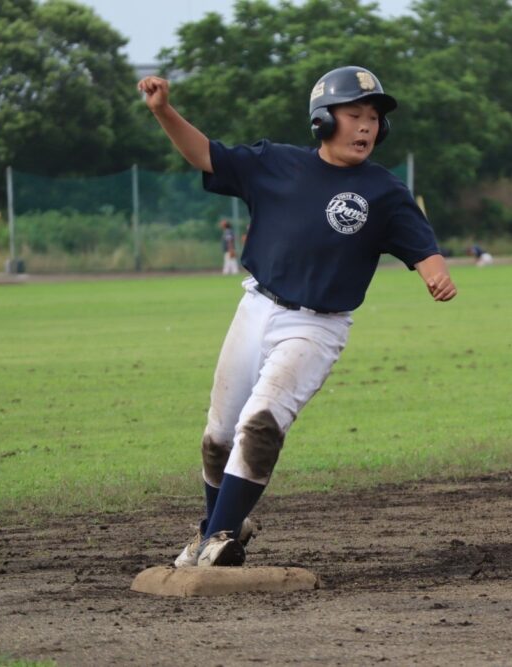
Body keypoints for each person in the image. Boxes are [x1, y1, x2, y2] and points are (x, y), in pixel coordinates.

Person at [138, 65, 457, 567]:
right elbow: (206, 154)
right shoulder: (275, 164)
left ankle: (217, 538)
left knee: (262, 423)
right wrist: (163, 111)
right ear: (323, 121)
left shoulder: (383, 191)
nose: (367, 126)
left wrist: (434, 273)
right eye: (354, 115)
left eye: (374, 118)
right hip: (256, 306)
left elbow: (423, 246)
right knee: (218, 436)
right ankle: (216, 529)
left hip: (317, 325)